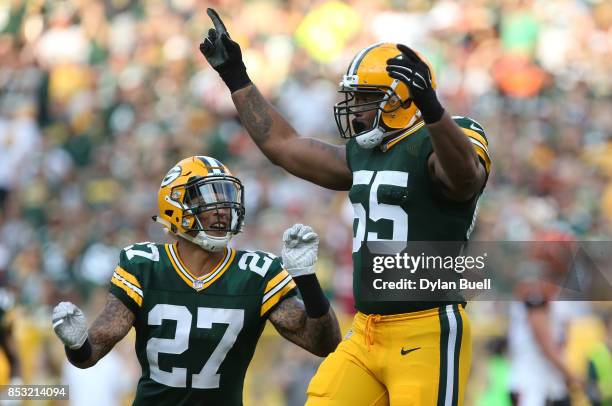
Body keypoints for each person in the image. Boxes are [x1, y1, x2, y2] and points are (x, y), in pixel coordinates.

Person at [200, 8, 491, 405]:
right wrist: (237, 79)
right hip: (367, 330)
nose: (357, 108)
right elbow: (284, 147)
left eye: (368, 98)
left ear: (406, 99)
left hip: (426, 329)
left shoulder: (449, 136)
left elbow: (464, 179)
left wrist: (433, 109)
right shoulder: (363, 155)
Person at [51, 156, 341, 405]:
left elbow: (324, 343)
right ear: (174, 206)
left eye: (226, 197)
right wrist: (76, 344)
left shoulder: (256, 273)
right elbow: (90, 354)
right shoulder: (145, 266)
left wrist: (307, 279)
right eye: (209, 198)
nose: (222, 208)